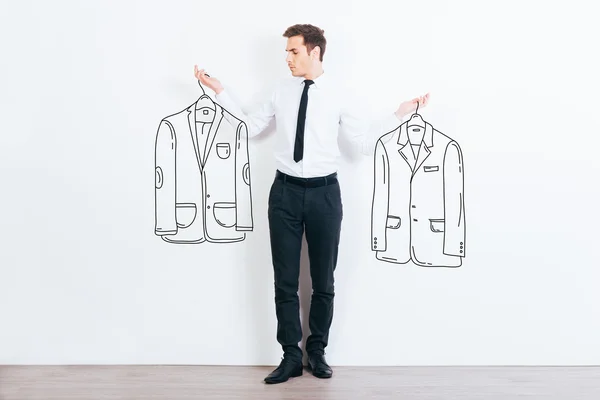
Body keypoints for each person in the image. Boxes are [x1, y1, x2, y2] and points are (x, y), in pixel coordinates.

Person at [194, 23, 429, 384]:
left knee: (324, 281)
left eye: (294, 51)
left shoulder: (340, 94)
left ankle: (316, 351)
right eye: (287, 51)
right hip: (284, 193)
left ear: (314, 52)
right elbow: (251, 126)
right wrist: (219, 91)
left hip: (324, 194)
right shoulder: (280, 91)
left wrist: (399, 113)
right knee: (285, 281)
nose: (287, 58)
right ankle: (290, 355)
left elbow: (364, 144)